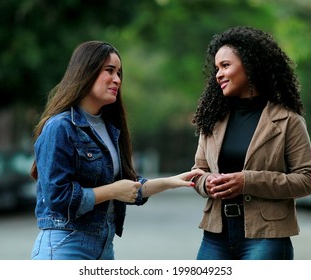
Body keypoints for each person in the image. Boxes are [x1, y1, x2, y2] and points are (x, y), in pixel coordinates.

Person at [29, 40, 203, 260]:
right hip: (66, 245)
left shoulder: (109, 129)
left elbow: (127, 186)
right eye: (109, 71)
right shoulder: (60, 126)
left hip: (104, 247)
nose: (117, 79)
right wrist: (112, 190)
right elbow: (58, 197)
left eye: (119, 73)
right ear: (86, 71)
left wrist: (171, 181)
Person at [190, 26, 311, 260]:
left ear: (250, 65)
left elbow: (307, 180)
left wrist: (248, 181)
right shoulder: (212, 118)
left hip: (266, 236)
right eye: (216, 68)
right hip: (215, 234)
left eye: (225, 66)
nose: (218, 74)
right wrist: (206, 182)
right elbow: (198, 172)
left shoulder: (288, 120)